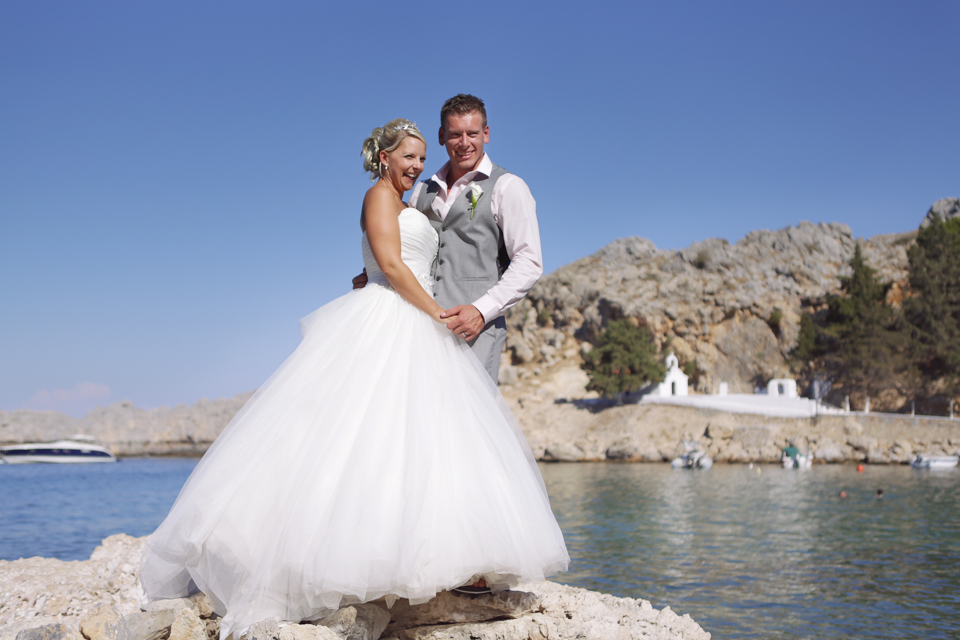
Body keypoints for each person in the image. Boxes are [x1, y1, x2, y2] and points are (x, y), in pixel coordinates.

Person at [139, 119, 569, 640]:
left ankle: (428, 558)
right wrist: (432, 311)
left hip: (415, 317)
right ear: (384, 158)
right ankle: (338, 559)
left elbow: (428, 259)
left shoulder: (428, 199)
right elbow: (391, 262)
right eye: (407, 157)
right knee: (362, 436)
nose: (416, 166)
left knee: (417, 442)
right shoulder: (378, 197)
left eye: (420, 158)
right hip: (397, 317)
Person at [355, 94, 542, 383]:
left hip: (474, 331)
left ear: (486, 134)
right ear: (442, 136)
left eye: (472, 133)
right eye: (455, 134)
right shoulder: (421, 191)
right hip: (418, 327)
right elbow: (400, 244)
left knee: (468, 411)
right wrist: (372, 273)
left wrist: (481, 311)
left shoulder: (508, 186)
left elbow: (529, 262)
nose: (464, 143)